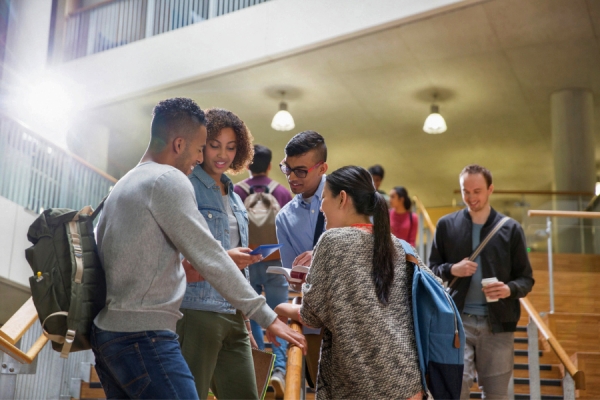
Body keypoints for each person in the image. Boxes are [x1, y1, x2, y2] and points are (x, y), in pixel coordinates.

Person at [91, 98, 306, 400]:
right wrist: (265, 316)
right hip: (146, 335)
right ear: (179, 144)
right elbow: (211, 257)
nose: (199, 157)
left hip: (110, 335)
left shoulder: (125, 183)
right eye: (200, 148)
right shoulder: (170, 180)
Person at [275, 166, 439, 399]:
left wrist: (278, 309)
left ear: (342, 198)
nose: (321, 207)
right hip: (410, 383)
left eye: (324, 199)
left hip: (364, 385)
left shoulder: (333, 241)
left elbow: (311, 315)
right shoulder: (399, 246)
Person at [177, 108, 267, 399]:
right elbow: (180, 250)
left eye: (231, 147)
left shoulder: (238, 198)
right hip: (196, 311)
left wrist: (246, 319)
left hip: (233, 313)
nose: (222, 155)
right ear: (201, 143)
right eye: (215, 145)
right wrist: (226, 256)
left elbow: (239, 271)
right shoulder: (185, 185)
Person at [429, 164, 534, 400]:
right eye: (466, 191)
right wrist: (452, 268)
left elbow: (526, 279)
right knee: (455, 390)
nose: (471, 197)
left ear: (490, 190)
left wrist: (509, 289)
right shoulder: (446, 225)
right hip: (458, 323)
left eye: (477, 191)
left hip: (498, 326)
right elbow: (432, 269)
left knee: (496, 394)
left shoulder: (511, 229)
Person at [234, 144, 293, 391]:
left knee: (253, 316)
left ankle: (259, 372)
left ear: (247, 164)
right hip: (275, 262)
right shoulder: (281, 192)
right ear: (270, 166)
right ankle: (280, 369)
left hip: (247, 260)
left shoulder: (237, 190)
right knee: (277, 315)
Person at [274, 130, 328, 393]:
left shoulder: (347, 194)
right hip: (314, 321)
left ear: (322, 168)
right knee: (320, 388)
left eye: (301, 171)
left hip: (354, 315)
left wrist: (320, 256)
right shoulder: (284, 218)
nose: (292, 177)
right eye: (288, 168)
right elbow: (294, 279)